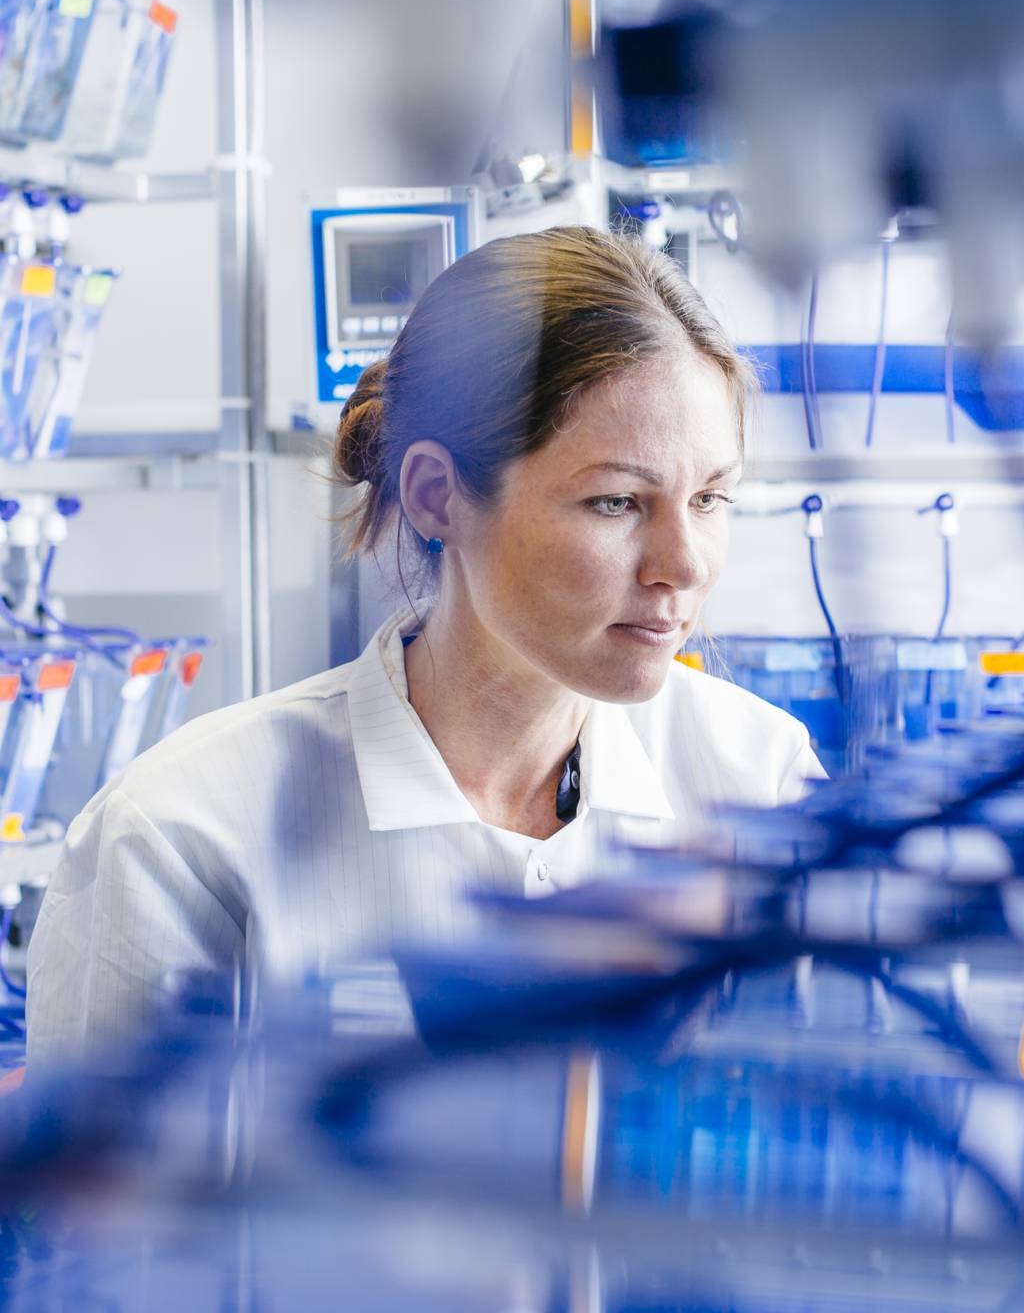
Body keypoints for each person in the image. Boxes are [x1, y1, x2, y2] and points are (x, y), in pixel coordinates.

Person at [26, 226, 825, 1066]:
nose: (683, 567)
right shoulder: (185, 837)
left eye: (710, 498)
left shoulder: (758, 780)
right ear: (437, 496)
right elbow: (104, 1190)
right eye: (617, 503)